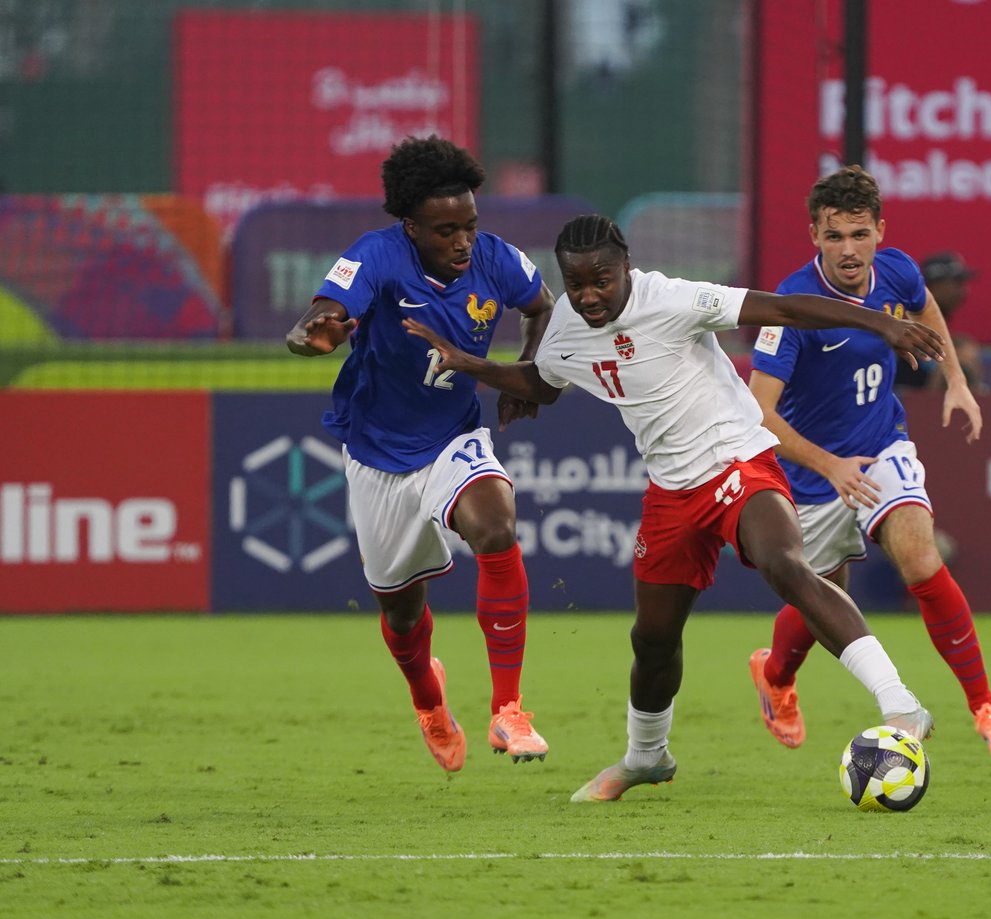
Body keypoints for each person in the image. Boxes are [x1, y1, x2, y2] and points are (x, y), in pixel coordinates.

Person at [402, 213, 945, 802]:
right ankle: (646, 757)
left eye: (601, 281)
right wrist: (479, 368)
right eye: (576, 284)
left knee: (786, 566)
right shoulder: (564, 329)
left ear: (626, 267)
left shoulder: (674, 299)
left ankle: (900, 704)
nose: (589, 296)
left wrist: (881, 324)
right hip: (670, 491)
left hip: (738, 460)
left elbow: (784, 309)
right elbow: (544, 382)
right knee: (653, 637)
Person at [285, 135, 553, 772]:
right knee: (403, 616)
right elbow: (321, 315)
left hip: (454, 438)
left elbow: (542, 307)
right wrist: (314, 333)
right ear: (411, 226)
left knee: (496, 525)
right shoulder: (376, 254)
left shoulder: (497, 259)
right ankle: (429, 701)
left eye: (470, 226)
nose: (463, 242)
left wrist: (526, 371)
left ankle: (509, 710)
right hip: (377, 453)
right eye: (445, 231)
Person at [745, 164, 991, 764]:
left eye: (859, 234)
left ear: (879, 231)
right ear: (814, 236)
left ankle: (986, 707)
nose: (848, 250)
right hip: (813, 476)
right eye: (834, 236)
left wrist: (956, 380)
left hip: (882, 446)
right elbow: (758, 413)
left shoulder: (897, 269)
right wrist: (830, 466)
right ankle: (774, 675)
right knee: (821, 598)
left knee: (921, 558)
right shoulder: (791, 307)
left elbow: (926, 310)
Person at [895, 251, 977, 391]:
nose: (964, 290)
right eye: (957, 282)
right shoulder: (905, 331)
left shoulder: (951, 339)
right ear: (933, 286)